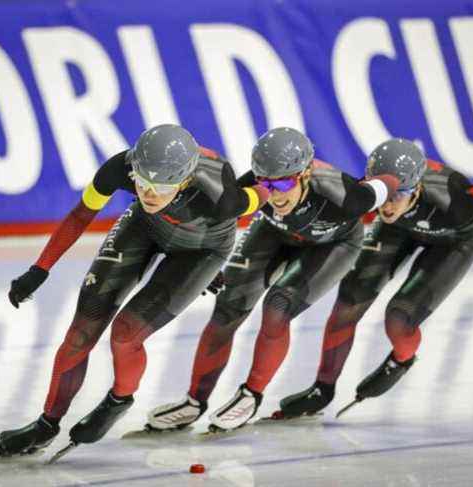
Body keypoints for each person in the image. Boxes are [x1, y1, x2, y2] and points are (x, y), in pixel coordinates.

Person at [0, 124, 269, 458]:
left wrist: (213, 269)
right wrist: (40, 268)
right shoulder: (120, 167)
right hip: (145, 228)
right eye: (142, 182)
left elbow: (266, 188)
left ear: (184, 181)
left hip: (202, 251)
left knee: (125, 335)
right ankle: (46, 424)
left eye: (160, 187)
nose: (148, 194)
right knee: (81, 331)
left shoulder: (221, 195)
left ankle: (119, 399)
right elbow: (81, 215)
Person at [144, 127, 401, 433]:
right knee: (228, 305)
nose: (275, 194)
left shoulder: (345, 195)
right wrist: (206, 263)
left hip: (333, 244)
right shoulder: (254, 185)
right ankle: (194, 402)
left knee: (277, 307)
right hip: (273, 233)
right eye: (267, 183)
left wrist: (398, 181)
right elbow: (217, 219)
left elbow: (389, 183)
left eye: (283, 182)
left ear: (305, 173)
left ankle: (251, 395)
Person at [277, 138, 473, 418]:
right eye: (384, 194)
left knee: (399, 317)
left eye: (398, 195)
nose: (386, 205)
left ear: (417, 187)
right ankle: (322, 389)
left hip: (454, 239)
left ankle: (402, 359)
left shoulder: (455, 204)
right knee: (349, 300)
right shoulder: (371, 196)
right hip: (397, 229)